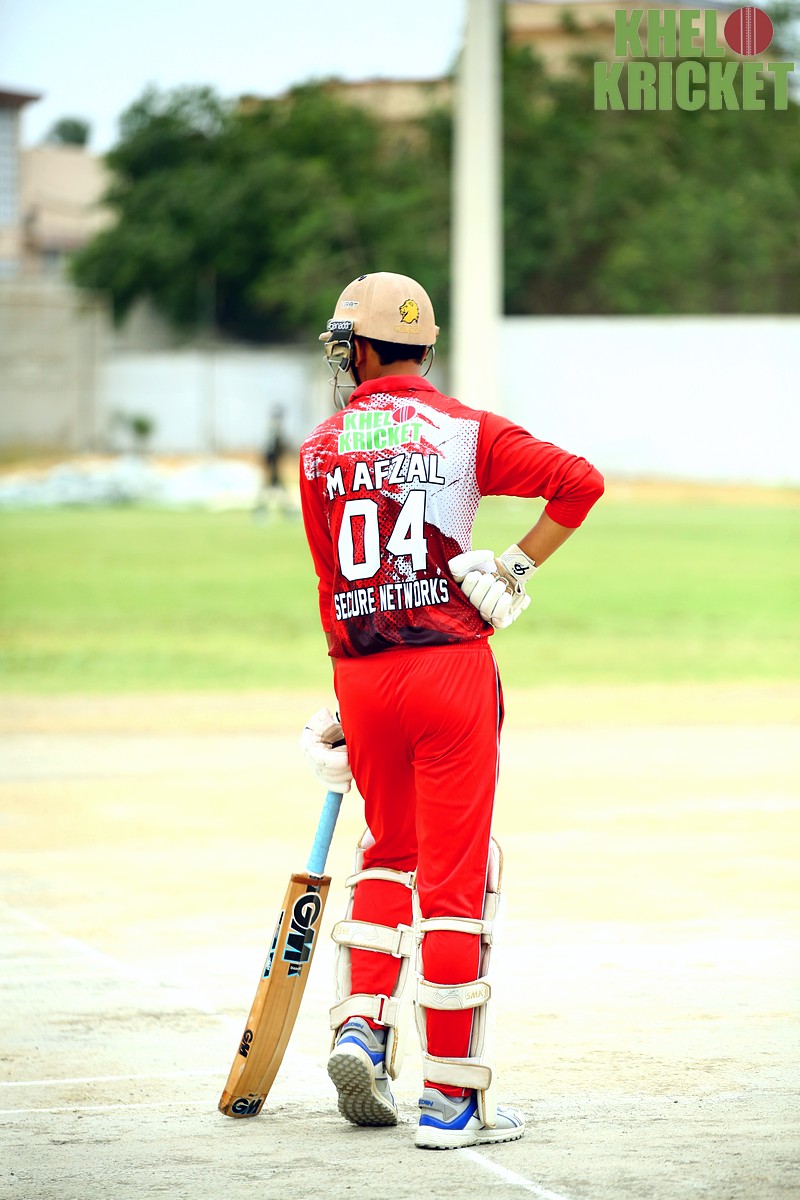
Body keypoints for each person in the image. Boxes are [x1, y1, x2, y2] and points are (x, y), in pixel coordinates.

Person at [298, 271, 604, 1150]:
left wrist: (348, 694)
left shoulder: (319, 449)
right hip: (450, 670)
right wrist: (512, 568)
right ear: (424, 349)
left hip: (363, 674)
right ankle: (451, 1101)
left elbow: (332, 580)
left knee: (388, 850)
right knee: (456, 875)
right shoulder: (465, 429)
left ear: (358, 350)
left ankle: (363, 1026)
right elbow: (578, 485)